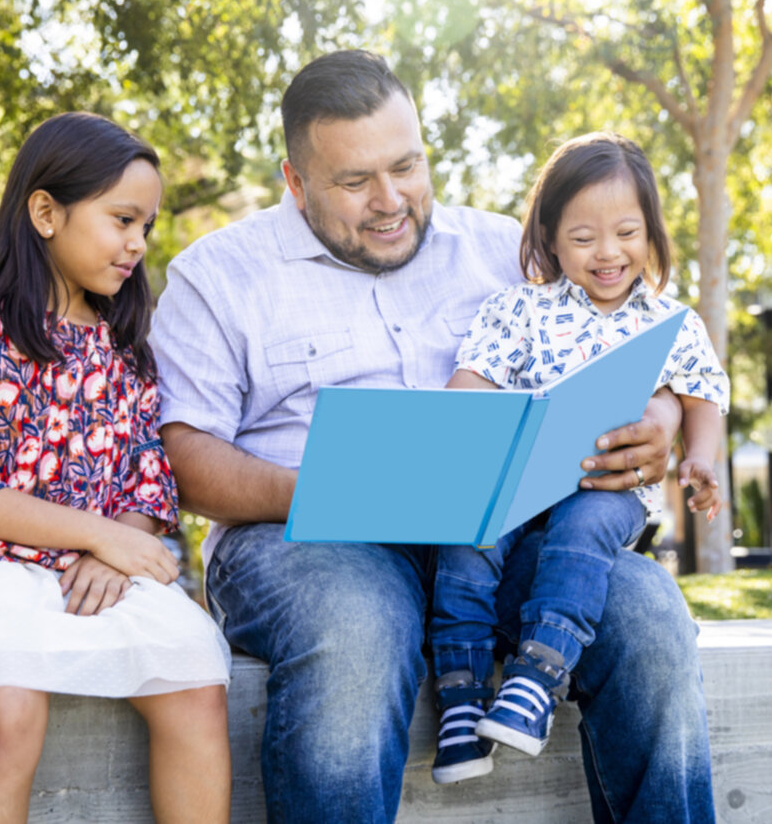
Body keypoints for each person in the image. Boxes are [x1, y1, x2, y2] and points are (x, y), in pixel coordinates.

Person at [152, 50, 715, 822]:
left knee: (647, 612)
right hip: (303, 539)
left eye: (407, 166)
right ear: (295, 181)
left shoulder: (511, 253)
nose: (390, 201)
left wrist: (658, 423)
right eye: (354, 183)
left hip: (502, 537)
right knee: (358, 629)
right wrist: (335, 490)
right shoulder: (216, 276)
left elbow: (639, 342)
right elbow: (184, 458)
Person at [0, 112, 232, 824]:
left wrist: (116, 547)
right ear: (45, 212)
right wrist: (99, 534)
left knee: (194, 681)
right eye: (123, 219)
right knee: (9, 706)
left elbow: (144, 479)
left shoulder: (125, 347)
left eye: (146, 227)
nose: (138, 243)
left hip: (88, 568)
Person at [428, 131, 730, 785]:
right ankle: (461, 700)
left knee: (585, 528)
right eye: (583, 237)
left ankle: (537, 679)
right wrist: (457, 425)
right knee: (466, 535)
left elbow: (702, 397)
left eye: (626, 232)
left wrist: (700, 460)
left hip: (605, 488)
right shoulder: (518, 309)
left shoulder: (671, 322)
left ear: (651, 232)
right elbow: (471, 387)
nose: (608, 253)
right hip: (518, 481)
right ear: (551, 236)